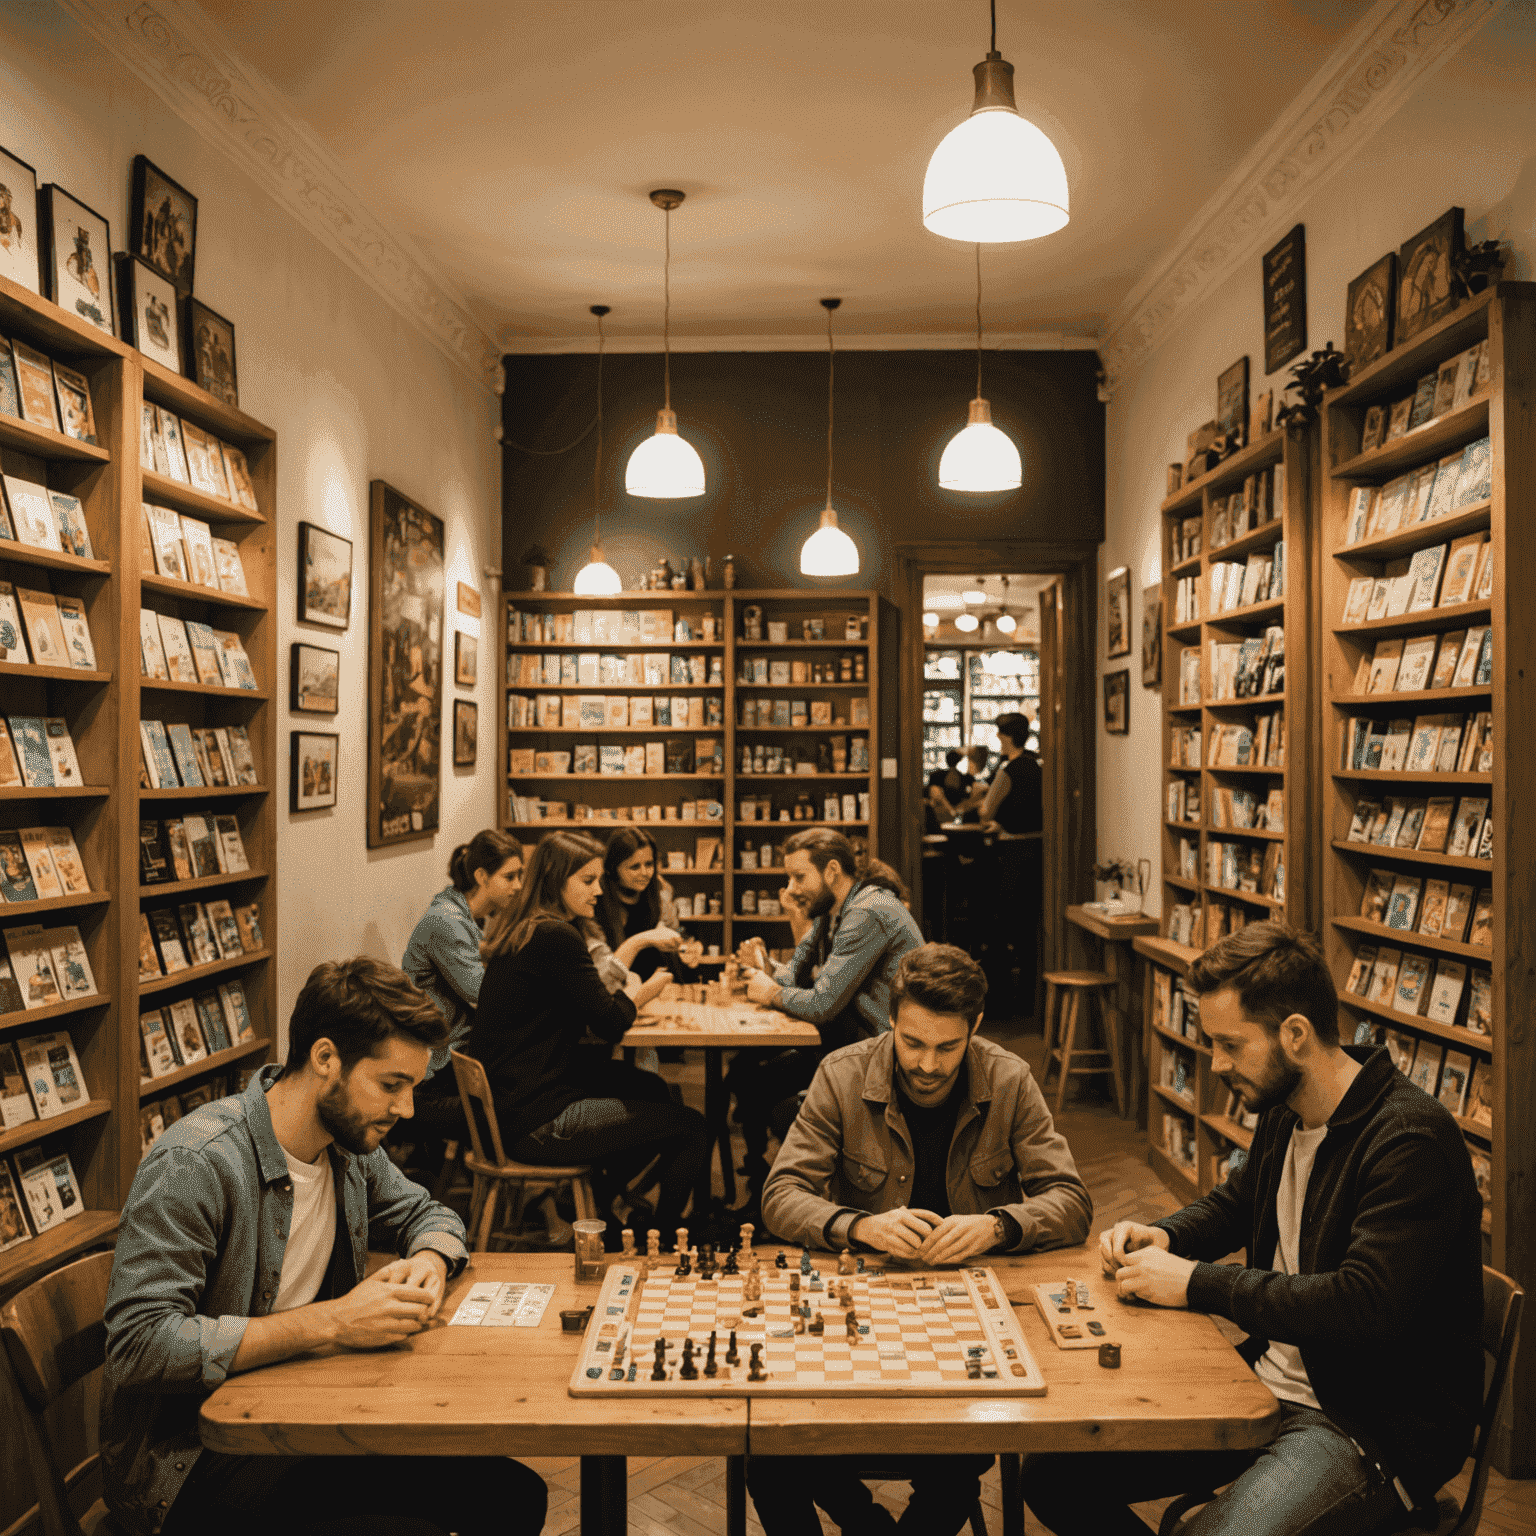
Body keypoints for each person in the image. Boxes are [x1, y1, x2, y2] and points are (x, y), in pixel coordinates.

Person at [1021, 921, 1484, 1536]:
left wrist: (1194, 1283)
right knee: (1055, 1478)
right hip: (1270, 1387)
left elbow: (1362, 1305)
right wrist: (1165, 1236)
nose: (1216, 1064)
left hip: (1370, 1426)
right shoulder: (1287, 1108)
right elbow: (1237, 1206)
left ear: (1295, 1034)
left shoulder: (1409, 1140)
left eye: (1231, 1045)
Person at [101, 957, 548, 1536]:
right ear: (325, 1059)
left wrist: (429, 1261)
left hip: (304, 1418)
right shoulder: (198, 1162)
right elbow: (140, 1344)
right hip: (194, 1463)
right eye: (392, 1085)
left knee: (512, 1496)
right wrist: (334, 1322)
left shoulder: (347, 1146)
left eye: (412, 1086)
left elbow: (428, 1212)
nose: (407, 1109)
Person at [753, 944, 1091, 1534]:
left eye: (948, 1047)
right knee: (770, 1452)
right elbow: (781, 1194)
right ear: (890, 1019)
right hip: (856, 1313)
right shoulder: (843, 1072)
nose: (928, 1065)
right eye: (913, 1043)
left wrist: (997, 1225)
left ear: (975, 1028)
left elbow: (1071, 1200)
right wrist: (859, 1226)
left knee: (958, 1452)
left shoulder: (1009, 1079)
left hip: (968, 1321)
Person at [468, 831, 708, 1235]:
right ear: (554, 879)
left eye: (599, 879)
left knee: (651, 1089)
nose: (599, 891)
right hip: (536, 1121)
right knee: (692, 1126)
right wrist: (641, 994)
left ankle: (598, 1204)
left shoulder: (525, 927)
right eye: (587, 881)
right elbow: (611, 1023)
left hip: (513, 1102)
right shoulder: (555, 936)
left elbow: (586, 1007)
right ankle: (665, 1239)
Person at [727, 829, 924, 1193]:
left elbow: (821, 1004)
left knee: (786, 1107)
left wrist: (770, 994)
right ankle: (758, 1184)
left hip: (884, 1053)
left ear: (832, 870)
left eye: (799, 877)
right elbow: (798, 976)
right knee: (746, 1077)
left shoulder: (866, 913)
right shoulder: (830, 910)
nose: (790, 889)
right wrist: (763, 969)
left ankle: (807, 1199)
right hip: (848, 1041)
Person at [977, 711, 1042, 1016]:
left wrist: (995, 821)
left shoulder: (1009, 770)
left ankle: (1001, 998)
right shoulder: (1038, 766)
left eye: (1000, 736)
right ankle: (1030, 994)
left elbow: (986, 812)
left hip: (1011, 857)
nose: (998, 741)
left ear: (1007, 737)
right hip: (1037, 854)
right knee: (1030, 928)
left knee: (1002, 926)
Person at [593, 827, 694, 981]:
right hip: (617, 990)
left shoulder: (658, 893)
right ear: (613, 869)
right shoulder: (596, 902)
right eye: (634, 867)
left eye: (649, 864)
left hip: (654, 989)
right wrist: (648, 938)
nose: (645, 873)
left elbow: (676, 928)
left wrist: (687, 941)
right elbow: (604, 973)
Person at [925, 748, 972, 830]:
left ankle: (953, 813)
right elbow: (932, 793)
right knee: (935, 790)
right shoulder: (937, 776)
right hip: (943, 811)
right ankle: (952, 812)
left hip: (959, 810)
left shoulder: (966, 778)